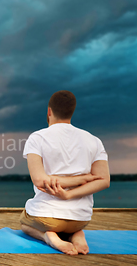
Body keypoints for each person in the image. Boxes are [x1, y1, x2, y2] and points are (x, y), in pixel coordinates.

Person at [20, 90, 110, 255]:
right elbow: (104, 180)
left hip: (46, 217)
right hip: (80, 219)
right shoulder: (94, 140)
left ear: (49, 111)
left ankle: (48, 237)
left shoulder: (37, 138)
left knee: (24, 223)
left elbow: (40, 181)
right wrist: (79, 182)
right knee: (71, 225)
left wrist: (64, 191)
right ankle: (76, 233)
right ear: (72, 111)